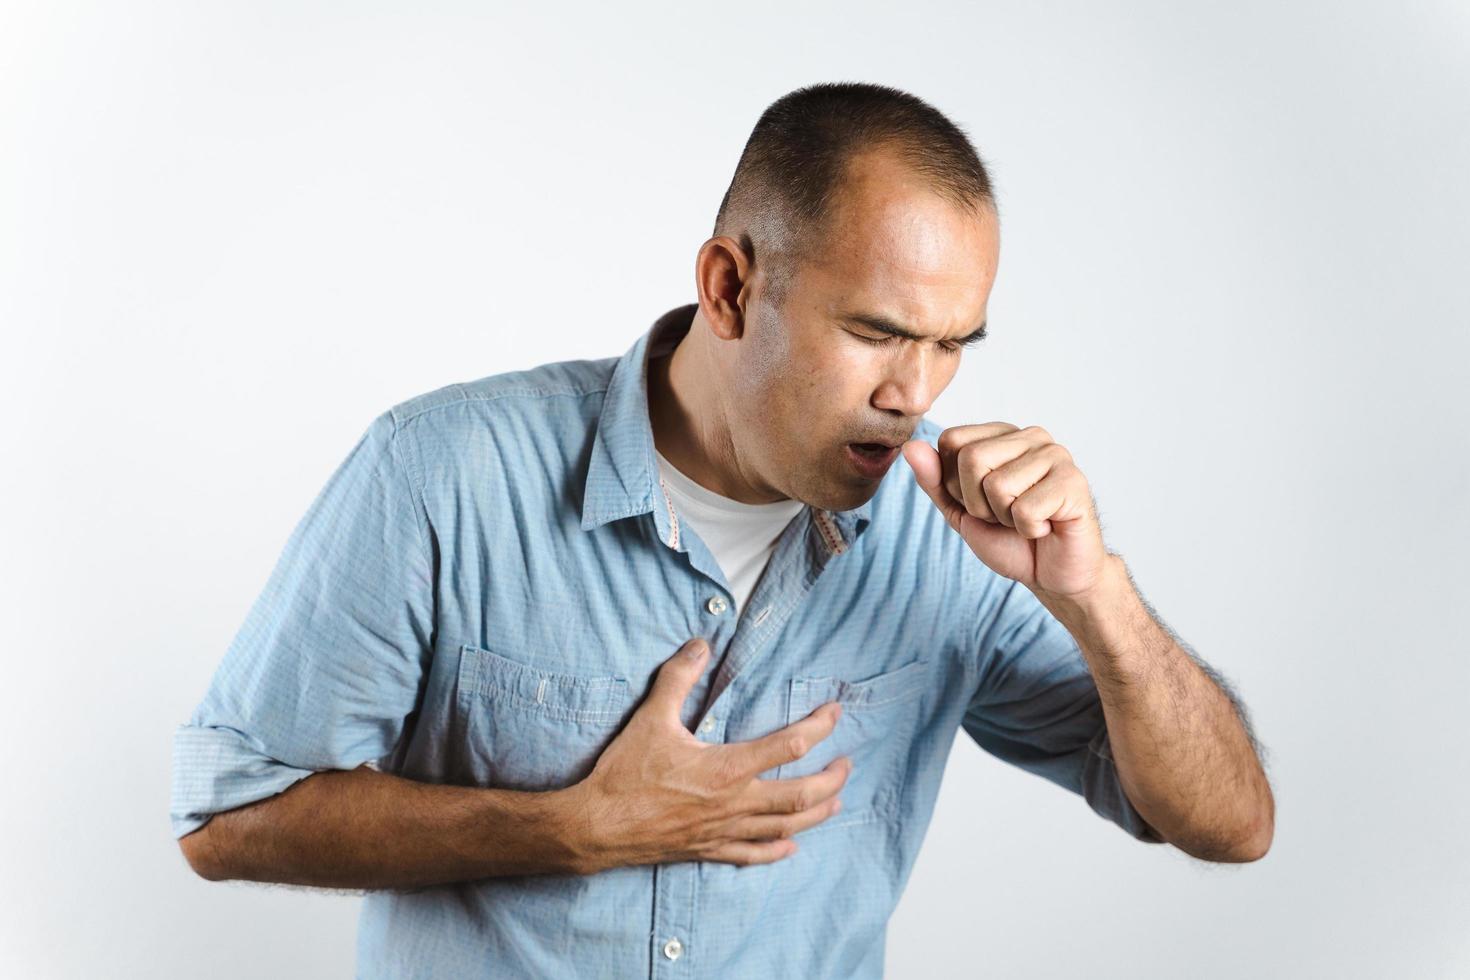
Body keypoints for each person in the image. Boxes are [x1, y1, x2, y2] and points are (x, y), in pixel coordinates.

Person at [172, 81, 1274, 978]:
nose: (916, 390)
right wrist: (571, 826)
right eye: (879, 331)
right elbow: (228, 813)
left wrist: (1098, 599)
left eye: (952, 344)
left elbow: (1229, 823)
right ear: (731, 285)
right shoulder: (441, 473)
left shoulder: (955, 531)